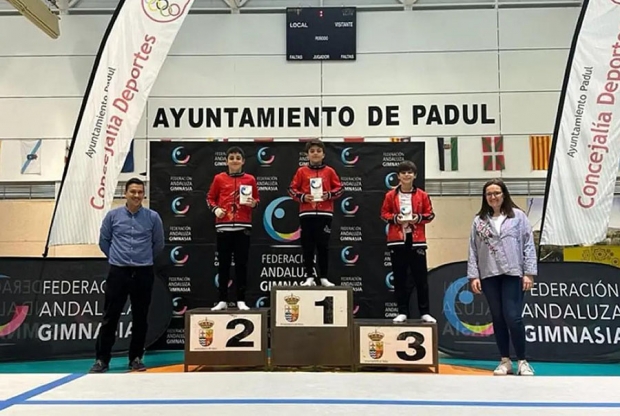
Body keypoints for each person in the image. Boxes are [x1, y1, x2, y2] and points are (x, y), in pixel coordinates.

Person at [90, 178, 165, 373]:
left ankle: (136, 359)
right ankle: (101, 360)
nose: (137, 195)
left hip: (143, 272)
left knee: (140, 318)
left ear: (144, 194)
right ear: (125, 193)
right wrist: (117, 258)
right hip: (118, 272)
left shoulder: (153, 217)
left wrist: (142, 259)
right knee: (110, 317)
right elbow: (104, 242)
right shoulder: (112, 216)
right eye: (133, 192)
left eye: (140, 192)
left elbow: (159, 245)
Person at [467, 178, 536, 376]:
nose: (493, 197)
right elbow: (472, 249)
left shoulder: (518, 217)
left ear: (504, 194)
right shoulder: (479, 221)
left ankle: (522, 360)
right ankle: (504, 360)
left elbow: (528, 245)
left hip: (513, 273)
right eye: (489, 194)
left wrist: (529, 273)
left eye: (496, 193)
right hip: (489, 274)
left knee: (513, 317)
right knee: (497, 317)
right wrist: (474, 276)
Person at [380, 161, 436, 324]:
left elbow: (430, 215)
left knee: (421, 279)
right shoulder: (390, 195)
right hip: (397, 241)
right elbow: (384, 214)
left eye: (410, 172)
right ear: (398, 176)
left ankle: (424, 312)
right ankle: (402, 311)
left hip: (417, 240)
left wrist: (417, 218)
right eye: (403, 172)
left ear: (415, 175)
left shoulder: (423, 195)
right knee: (400, 278)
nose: (406, 175)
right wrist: (396, 219)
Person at [207, 146, 259, 311]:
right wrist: (216, 209)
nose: (235, 160)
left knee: (241, 265)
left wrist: (253, 203)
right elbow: (210, 198)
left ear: (243, 161)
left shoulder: (250, 179)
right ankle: (222, 299)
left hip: (243, 226)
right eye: (231, 158)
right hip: (223, 227)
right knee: (223, 265)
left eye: (238, 158)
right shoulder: (219, 178)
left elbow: (256, 199)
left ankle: (241, 300)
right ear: (226, 161)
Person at [288, 139, 343, 286]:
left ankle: (324, 277)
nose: (315, 154)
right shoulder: (302, 171)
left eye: (318, 151)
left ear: (323, 154)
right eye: (312, 151)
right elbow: (292, 189)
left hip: (325, 214)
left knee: (323, 245)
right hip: (307, 213)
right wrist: (303, 197)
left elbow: (339, 189)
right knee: (308, 245)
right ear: (307, 155)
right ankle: (309, 277)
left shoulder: (329, 171)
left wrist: (329, 195)